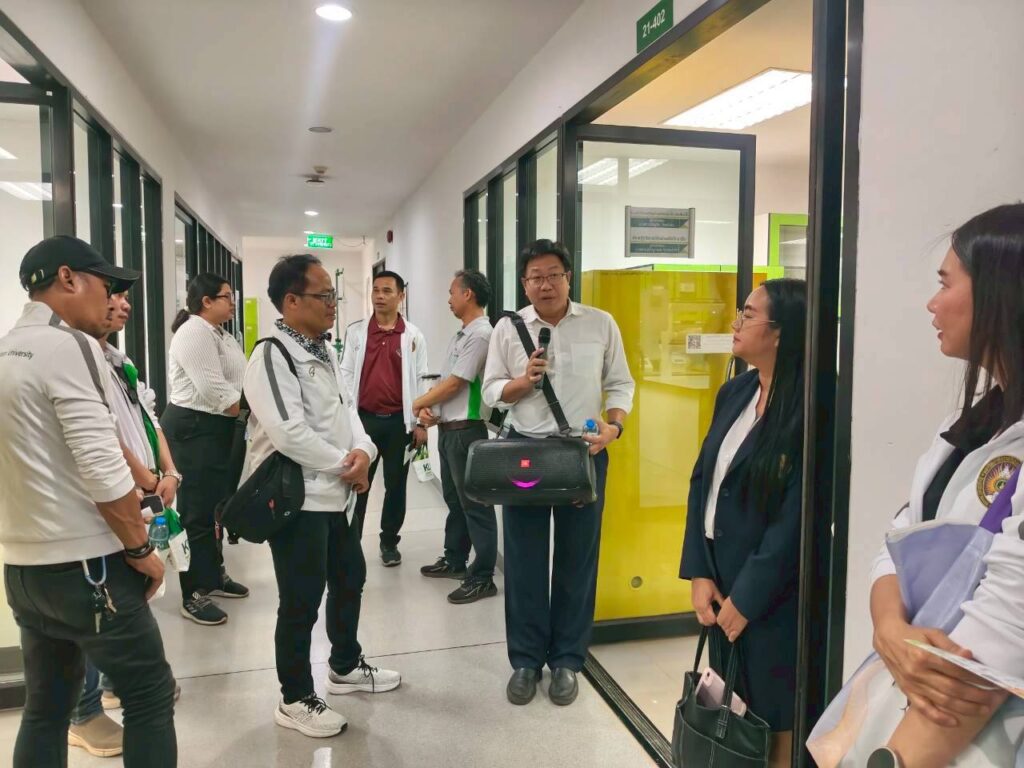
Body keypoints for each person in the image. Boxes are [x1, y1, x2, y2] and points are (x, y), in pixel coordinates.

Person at [857, 205, 1024, 768]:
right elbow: (900, 537)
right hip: (917, 703)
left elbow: (999, 638)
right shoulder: (974, 423)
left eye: (946, 283)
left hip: (961, 730)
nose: (933, 303)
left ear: (1002, 293)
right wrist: (889, 628)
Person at [0, 235, 176, 768]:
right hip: (88, 566)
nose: (111, 298)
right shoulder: (71, 347)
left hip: (24, 570)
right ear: (67, 278)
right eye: (105, 284)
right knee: (149, 695)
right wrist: (140, 548)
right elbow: (101, 465)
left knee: (45, 709)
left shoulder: (6, 349)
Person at [244, 254, 402, 739]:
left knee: (350, 576)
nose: (333, 303)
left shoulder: (323, 350)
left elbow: (347, 411)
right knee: (301, 599)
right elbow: (288, 432)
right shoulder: (272, 354)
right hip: (299, 500)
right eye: (323, 295)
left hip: (336, 494)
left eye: (332, 295)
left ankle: (344, 665)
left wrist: (364, 451)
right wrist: (346, 465)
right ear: (291, 301)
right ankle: (294, 698)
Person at [482, 239, 634, 707]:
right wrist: (522, 382)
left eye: (553, 275)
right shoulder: (508, 329)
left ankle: (568, 659)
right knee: (524, 561)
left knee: (577, 558)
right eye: (535, 277)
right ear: (524, 283)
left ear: (569, 277)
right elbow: (490, 391)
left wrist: (614, 427)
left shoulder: (600, 323)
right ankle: (526, 661)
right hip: (525, 456)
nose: (545, 284)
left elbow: (620, 383)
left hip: (582, 453)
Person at [679, 278, 807, 768]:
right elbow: (702, 481)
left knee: (771, 720)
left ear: (780, 331)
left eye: (748, 314)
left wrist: (748, 598)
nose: (736, 322)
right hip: (720, 579)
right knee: (729, 711)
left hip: (773, 596)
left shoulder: (813, 406)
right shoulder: (735, 391)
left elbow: (796, 518)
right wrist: (699, 570)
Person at [69, 290, 183, 756]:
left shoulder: (119, 360)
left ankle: (114, 682)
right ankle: (84, 711)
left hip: (138, 493)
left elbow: (148, 419)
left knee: (125, 594)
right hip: (101, 506)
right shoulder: (72, 362)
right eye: (112, 295)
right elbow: (103, 440)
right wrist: (147, 480)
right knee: (95, 603)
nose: (123, 305)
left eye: (125, 297)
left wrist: (168, 473)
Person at [163, 272, 249, 626]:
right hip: (194, 429)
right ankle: (192, 593)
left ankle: (213, 576)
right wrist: (257, 411)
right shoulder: (194, 332)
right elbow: (216, 392)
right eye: (226, 296)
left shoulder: (221, 334)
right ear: (206, 301)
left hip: (217, 428)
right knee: (196, 514)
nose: (233, 302)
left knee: (215, 508)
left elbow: (239, 381)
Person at [413, 269, 498, 604]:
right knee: (455, 501)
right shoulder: (461, 335)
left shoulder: (481, 335)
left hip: (467, 432)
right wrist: (430, 412)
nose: (448, 299)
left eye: (452, 292)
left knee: (475, 506)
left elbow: (456, 383)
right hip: (449, 431)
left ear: (468, 294)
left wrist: (418, 402)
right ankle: (455, 559)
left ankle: (483, 577)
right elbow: (445, 383)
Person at [340, 270, 428, 566]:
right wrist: (346, 418)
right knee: (358, 481)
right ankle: (350, 542)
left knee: (396, 486)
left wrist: (421, 423)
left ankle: (389, 541)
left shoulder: (413, 335)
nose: (379, 296)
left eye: (387, 291)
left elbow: (422, 379)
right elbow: (346, 374)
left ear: (401, 296)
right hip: (363, 422)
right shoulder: (357, 332)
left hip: (399, 424)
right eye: (376, 290)